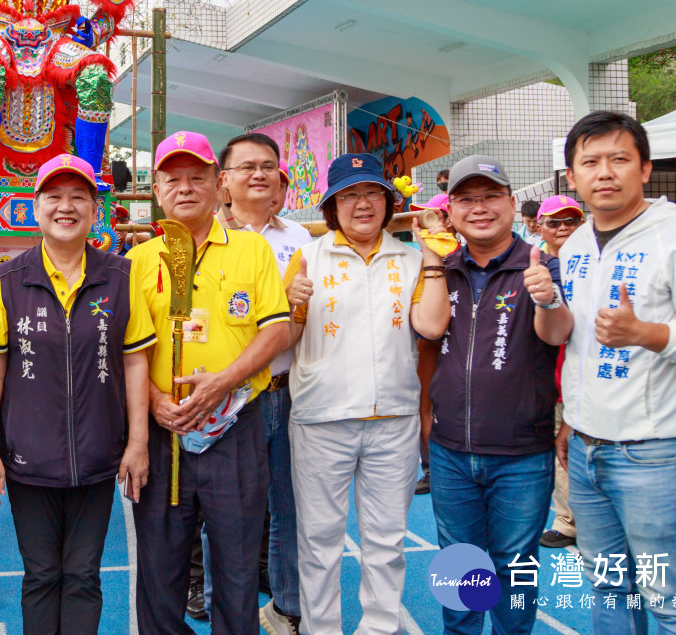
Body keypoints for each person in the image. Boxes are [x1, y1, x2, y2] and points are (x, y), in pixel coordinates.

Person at [558, 111, 676, 633]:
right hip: (587, 450)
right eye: (590, 162)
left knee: (671, 600)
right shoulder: (573, 246)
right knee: (609, 588)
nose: (604, 172)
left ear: (646, 168)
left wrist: (647, 334)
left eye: (619, 159)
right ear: (572, 177)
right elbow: (580, 347)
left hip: (654, 451)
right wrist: (571, 420)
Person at [0, 154, 154, 635]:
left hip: (98, 457)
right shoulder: (8, 280)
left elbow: (136, 360)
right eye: (53, 196)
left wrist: (137, 443)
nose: (65, 207)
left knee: (82, 576)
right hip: (29, 460)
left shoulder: (120, 276)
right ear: (35, 207)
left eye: (78, 197)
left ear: (96, 210)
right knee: (41, 575)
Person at [128, 131, 290, 635]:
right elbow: (130, 348)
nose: (185, 188)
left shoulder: (251, 250)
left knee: (237, 565)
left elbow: (277, 327)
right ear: (156, 189)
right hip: (163, 432)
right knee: (160, 566)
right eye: (172, 179)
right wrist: (155, 401)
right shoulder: (138, 262)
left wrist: (222, 382)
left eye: (197, 177)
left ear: (219, 185)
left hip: (235, 426)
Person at [284, 153, 450, 635]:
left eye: (372, 193)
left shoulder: (412, 259)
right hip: (320, 418)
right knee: (319, 540)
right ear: (332, 206)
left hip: (394, 421)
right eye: (350, 195)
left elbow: (431, 326)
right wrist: (288, 305)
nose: (363, 204)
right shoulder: (309, 256)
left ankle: (380, 627)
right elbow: (284, 338)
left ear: (388, 201)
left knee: (386, 540)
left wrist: (435, 254)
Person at [421, 154, 573, 635]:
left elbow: (557, 335)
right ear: (452, 212)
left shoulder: (541, 266)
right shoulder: (442, 269)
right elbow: (424, 335)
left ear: (511, 203)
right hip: (449, 451)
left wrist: (547, 296)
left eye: (490, 197)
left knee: (514, 568)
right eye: (467, 199)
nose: (479, 208)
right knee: (460, 566)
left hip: (521, 453)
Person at [214, 133, 312, 635]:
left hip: (288, 393)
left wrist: (298, 305)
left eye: (268, 166)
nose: (259, 174)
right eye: (247, 166)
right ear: (224, 179)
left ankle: (287, 608)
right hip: (227, 398)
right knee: (226, 511)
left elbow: (308, 322)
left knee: (290, 509)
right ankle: (220, 608)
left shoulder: (299, 240)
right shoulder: (203, 238)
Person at [534, 195, 584, 551]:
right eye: (554, 222)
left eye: (571, 221)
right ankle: (566, 520)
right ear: (540, 228)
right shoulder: (532, 263)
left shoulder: (594, 261)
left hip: (582, 367)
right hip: (544, 369)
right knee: (557, 445)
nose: (563, 228)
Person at [410, 192, 452, 495]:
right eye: (424, 218)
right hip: (428, 344)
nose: (430, 224)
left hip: (462, 346)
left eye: (436, 217)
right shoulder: (415, 255)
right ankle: (431, 468)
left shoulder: (464, 251)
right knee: (424, 409)